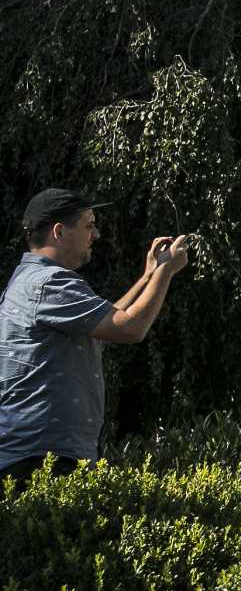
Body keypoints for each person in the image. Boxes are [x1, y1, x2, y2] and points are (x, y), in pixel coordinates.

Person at [0, 189, 190, 483]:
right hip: (42, 461)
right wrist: (166, 271)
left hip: (38, 455)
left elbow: (106, 321)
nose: (96, 234)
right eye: (88, 225)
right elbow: (129, 328)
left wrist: (149, 275)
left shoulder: (30, 281)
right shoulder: (49, 283)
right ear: (59, 232)